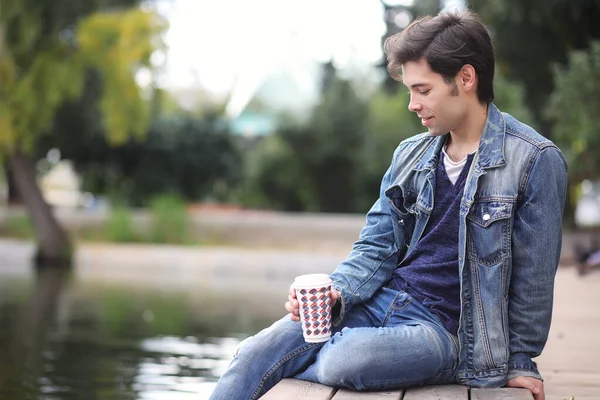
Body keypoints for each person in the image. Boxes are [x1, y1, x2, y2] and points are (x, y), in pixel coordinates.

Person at [209, 10, 567, 400]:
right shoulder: (410, 156)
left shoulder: (534, 160)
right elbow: (376, 245)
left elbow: (534, 281)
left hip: (447, 334)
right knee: (252, 354)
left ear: (465, 78)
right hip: (380, 301)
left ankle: (304, 358)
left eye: (423, 90)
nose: (413, 104)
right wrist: (336, 292)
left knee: (343, 360)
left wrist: (519, 361)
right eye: (409, 91)